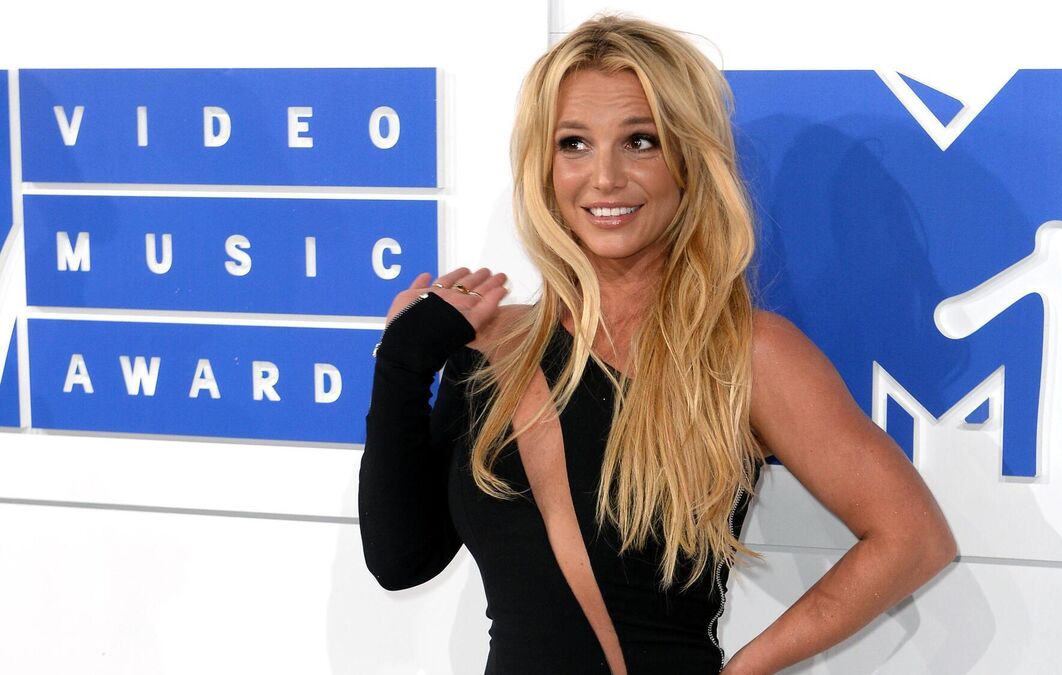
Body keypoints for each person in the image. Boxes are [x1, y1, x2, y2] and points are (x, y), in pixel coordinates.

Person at [359, 14, 956, 675]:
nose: (605, 177)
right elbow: (401, 561)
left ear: (688, 162)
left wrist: (745, 669)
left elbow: (912, 538)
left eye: (640, 142)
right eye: (574, 144)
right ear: (543, 167)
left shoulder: (747, 354)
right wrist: (402, 364)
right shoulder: (493, 347)